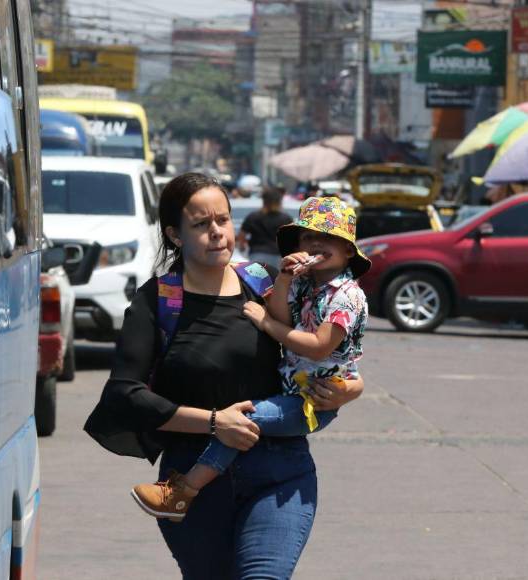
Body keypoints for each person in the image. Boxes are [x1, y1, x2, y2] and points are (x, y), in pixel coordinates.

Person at [83, 174, 364, 579]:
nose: (216, 233)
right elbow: (124, 394)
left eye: (223, 220)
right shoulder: (158, 300)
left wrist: (351, 390)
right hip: (192, 481)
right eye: (201, 224)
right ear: (175, 235)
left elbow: (333, 348)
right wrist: (215, 422)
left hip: (279, 472)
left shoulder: (268, 284)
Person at [131, 195, 370, 523]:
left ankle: (183, 490)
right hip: (293, 390)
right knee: (241, 425)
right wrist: (284, 279)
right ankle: (183, 492)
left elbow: (317, 346)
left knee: (243, 420)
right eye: (309, 236)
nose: (316, 243)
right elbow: (283, 320)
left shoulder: (346, 295)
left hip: (311, 400)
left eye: (328, 238)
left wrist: (265, 323)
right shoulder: (305, 284)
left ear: (347, 250)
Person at [236, 186, 293, 269]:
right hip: (277, 257)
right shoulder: (286, 218)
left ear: (264, 201)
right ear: (279, 201)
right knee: (276, 281)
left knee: (256, 281)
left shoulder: (253, 216)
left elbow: (241, 235)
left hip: (257, 255)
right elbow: (291, 238)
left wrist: (242, 246)